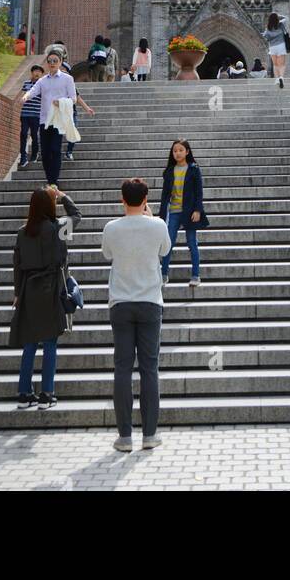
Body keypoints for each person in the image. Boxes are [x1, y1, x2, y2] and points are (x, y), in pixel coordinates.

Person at [101, 177, 171, 452]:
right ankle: (150, 435)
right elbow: (165, 251)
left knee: (122, 368)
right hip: (150, 301)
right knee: (149, 368)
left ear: (122, 199)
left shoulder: (111, 228)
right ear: (145, 200)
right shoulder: (158, 225)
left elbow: (107, 254)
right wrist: (151, 218)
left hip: (120, 302)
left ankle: (125, 437)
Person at [9, 184, 81, 409]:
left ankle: (24, 393)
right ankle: (46, 394)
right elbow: (77, 215)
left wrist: (17, 293)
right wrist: (62, 196)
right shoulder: (58, 228)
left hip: (29, 290)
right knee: (50, 342)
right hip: (51, 289)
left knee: (29, 343)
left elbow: (18, 266)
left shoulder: (22, 232)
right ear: (50, 206)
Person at [21, 50, 94, 187]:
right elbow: (33, 90)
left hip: (59, 120)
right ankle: (50, 179)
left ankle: (53, 181)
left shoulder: (67, 79)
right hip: (44, 120)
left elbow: (73, 98)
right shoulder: (42, 81)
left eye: (55, 61)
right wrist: (26, 97)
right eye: (50, 61)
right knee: (45, 152)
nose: (52, 63)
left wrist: (61, 102)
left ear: (60, 62)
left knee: (55, 149)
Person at [159, 140, 209, 288]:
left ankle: (195, 275)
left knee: (192, 243)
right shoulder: (169, 171)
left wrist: (198, 210)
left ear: (187, 152)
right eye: (175, 151)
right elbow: (164, 195)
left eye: (181, 150)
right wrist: (162, 215)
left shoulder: (193, 169)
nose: (177, 153)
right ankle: (163, 274)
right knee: (168, 243)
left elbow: (199, 193)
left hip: (189, 212)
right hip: (173, 211)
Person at [19, 64, 44, 167]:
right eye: (35, 71)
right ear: (32, 73)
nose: (37, 73)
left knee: (34, 135)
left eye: (39, 71)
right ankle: (23, 157)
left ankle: (34, 154)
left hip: (36, 114)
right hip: (25, 113)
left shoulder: (42, 85)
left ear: (42, 74)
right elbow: (23, 95)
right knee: (23, 134)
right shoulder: (26, 83)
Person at [263, 12, 289, 89]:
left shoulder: (268, 27)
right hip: (281, 46)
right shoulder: (281, 24)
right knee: (282, 64)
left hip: (273, 47)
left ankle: (277, 79)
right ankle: (281, 77)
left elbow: (266, 37)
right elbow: (286, 18)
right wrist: (279, 16)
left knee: (275, 64)